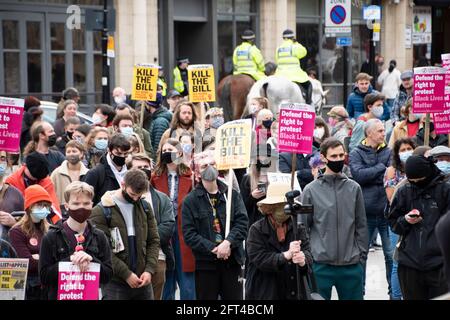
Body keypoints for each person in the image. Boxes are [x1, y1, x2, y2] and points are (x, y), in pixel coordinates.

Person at [301, 138, 368, 300]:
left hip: (351, 265)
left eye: (341, 155)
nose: (338, 160)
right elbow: (303, 226)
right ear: (323, 158)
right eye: (334, 156)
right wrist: (311, 256)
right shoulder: (310, 190)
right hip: (320, 265)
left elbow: (361, 225)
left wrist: (361, 257)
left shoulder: (354, 188)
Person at [182, 150, 248, 300]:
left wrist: (228, 243)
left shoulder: (232, 195)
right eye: (205, 166)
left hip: (232, 261)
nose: (210, 168)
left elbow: (242, 223)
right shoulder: (190, 201)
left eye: (212, 164)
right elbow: (190, 235)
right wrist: (214, 249)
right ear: (197, 172)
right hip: (206, 265)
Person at [90, 170, 159, 300]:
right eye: (132, 194)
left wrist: (149, 270)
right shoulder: (101, 211)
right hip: (115, 283)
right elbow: (102, 250)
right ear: (123, 184)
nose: (135, 198)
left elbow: (153, 241)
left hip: (143, 281)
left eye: (139, 195)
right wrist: (126, 274)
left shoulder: (145, 207)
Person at [388, 155, 450, 299]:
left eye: (420, 181)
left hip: (439, 265)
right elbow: (393, 222)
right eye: (412, 181)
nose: (416, 184)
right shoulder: (404, 191)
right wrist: (405, 220)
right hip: (410, 264)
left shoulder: (445, 191)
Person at [39, 181, 113, 300]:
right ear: (67, 206)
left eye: (86, 203)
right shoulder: (51, 237)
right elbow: (44, 277)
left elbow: (108, 275)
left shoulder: (99, 236)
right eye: (76, 203)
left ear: (92, 205)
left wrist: (91, 259)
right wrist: (71, 260)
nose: (81, 207)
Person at [245, 182, 313, 300]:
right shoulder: (256, 229)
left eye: (285, 205)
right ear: (269, 208)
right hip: (264, 291)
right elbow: (259, 259)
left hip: (293, 291)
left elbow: (308, 254)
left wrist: (303, 260)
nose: (282, 209)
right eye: (278, 205)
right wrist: (285, 255)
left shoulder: (298, 228)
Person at [349, 119, 393, 297]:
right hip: (365, 213)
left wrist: (373, 173)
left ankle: (393, 293)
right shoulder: (356, 153)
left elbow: (391, 175)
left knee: (391, 256)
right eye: (380, 131)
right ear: (369, 134)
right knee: (362, 256)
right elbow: (359, 176)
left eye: (384, 130)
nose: (384, 133)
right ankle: (360, 292)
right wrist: (381, 168)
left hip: (387, 212)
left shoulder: (388, 151)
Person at [151, 139, 196, 300]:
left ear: (179, 153)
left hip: (184, 229)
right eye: (164, 150)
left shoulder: (190, 176)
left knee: (186, 276)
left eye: (170, 150)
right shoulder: (154, 177)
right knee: (166, 273)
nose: (167, 153)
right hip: (163, 229)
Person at [129, 154, 175, 300]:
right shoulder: (117, 198)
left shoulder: (162, 198)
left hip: (157, 258)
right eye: (138, 168)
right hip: (128, 260)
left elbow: (168, 226)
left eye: (146, 167)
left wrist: (146, 241)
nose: (143, 171)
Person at [384, 137, 417, 300]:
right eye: (402, 150)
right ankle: (396, 297)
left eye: (409, 149)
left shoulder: (420, 169)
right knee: (397, 261)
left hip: (417, 220)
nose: (406, 152)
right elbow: (392, 198)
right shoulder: (392, 171)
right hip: (398, 220)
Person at [9, 185, 52, 300]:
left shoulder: (51, 230)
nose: (43, 209)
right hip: (31, 287)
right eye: (39, 205)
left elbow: (60, 259)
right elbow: (27, 263)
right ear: (29, 207)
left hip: (50, 284)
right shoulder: (17, 231)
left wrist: (39, 257)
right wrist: (48, 259)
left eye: (46, 206)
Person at [6, 152, 61, 223]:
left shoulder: (45, 180)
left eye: (38, 178)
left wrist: (58, 225)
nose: (35, 179)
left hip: (42, 223)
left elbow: (54, 207)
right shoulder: (11, 182)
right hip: (18, 222)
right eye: (33, 176)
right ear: (25, 166)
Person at [83, 134, 131, 205]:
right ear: (109, 150)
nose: (122, 156)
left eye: (125, 154)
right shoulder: (96, 173)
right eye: (118, 153)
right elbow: (86, 201)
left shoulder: (131, 171)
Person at [275, 29, 312, 104]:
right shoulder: (295, 46)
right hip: (294, 75)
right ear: (293, 37)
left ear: (283, 38)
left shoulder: (278, 48)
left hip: (280, 75)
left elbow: (276, 60)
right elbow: (304, 52)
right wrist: (296, 43)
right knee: (309, 85)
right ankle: (308, 103)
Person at [51, 141, 89, 213]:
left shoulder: (88, 173)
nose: (71, 154)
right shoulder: (57, 173)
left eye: (74, 151)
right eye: (68, 152)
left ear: (81, 154)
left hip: (82, 211)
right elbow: (50, 194)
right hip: (61, 212)